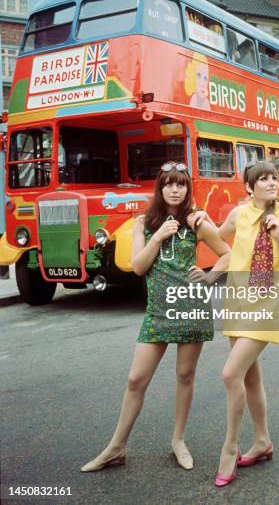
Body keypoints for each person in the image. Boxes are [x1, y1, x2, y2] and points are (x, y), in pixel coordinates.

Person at [81, 162, 230, 473]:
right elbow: (138, 266)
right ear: (160, 188)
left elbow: (227, 253)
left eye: (181, 184)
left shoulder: (197, 221)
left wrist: (210, 277)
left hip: (191, 306)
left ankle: (178, 440)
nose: (174, 189)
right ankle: (117, 446)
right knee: (136, 379)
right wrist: (158, 235)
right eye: (168, 184)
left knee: (185, 375)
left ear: (188, 189)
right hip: (157, 312)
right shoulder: (143, 223)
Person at [190, 162, 279, 487]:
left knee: (230, 374)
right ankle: (262, 440)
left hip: (267, 307)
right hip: (238, 303)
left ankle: (229, 447)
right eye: (263, 179)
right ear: (249, 188)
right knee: (250, 378)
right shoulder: (239, 214)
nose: (271, 182)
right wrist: (196, 219)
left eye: (274, 177)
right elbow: (213, 234)